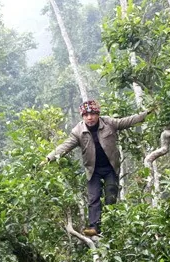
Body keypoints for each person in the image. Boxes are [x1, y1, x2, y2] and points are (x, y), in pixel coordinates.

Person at [43, 100, 148, 237]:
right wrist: (48, 158)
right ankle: (94, 228)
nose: (89, 118)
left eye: (92, 114)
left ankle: (110, 225)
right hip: (93, 170)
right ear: (82, 116)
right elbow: (65, 146)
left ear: (98, 114)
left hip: (110, 167)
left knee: (111, 195)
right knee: (94, 198)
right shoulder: (78, 131)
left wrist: (146, 114)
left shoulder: (109, 123)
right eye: (86, 115)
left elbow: (128, 121)